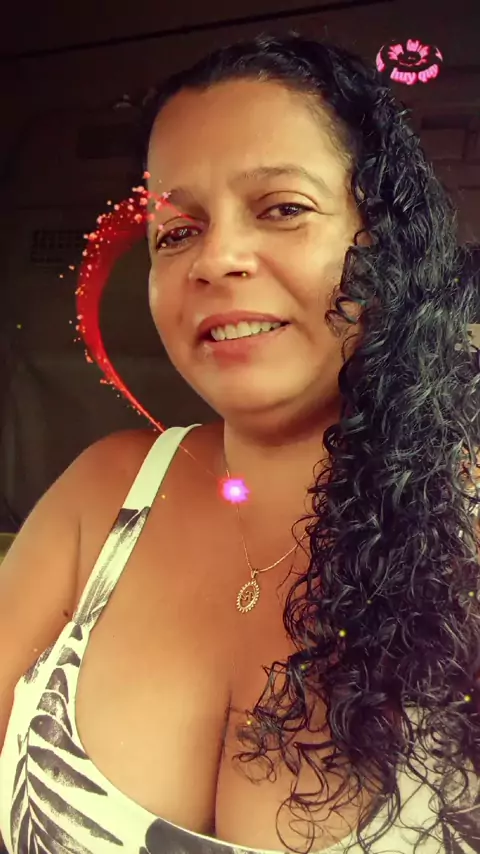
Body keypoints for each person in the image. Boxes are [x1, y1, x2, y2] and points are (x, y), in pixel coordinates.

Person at [0, 32, 480, 854]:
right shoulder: (102, 494)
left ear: (386, 241)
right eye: (176, 231)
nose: (215, 258)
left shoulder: (465, 527)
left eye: (283, 208)